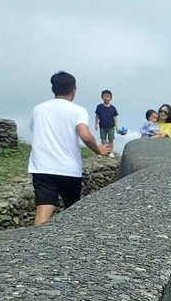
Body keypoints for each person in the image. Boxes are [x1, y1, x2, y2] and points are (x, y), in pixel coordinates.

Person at [28, 71, 111, 225]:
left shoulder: (38, 109)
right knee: (72, 211)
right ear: (74, 90)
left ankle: (35, 246)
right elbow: (85, 135)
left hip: (42, 167)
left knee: (43, 210)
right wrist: (99, 150)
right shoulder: (77, 110)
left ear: (53, 89)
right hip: (68, 168)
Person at [94, 89, 119, 157]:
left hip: (111, 126)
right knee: (103, 140)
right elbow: (97, 116)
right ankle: (103, 151)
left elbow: (115, 118)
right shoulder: (99, 107)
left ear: (111, 98)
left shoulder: (113, 108)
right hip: (102, 126)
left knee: (111, 140)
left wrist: (117, 127)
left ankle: (110, 152)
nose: (106, 97)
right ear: (102, 97)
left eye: (108, 96)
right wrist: (96, 124)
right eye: (104, 96)